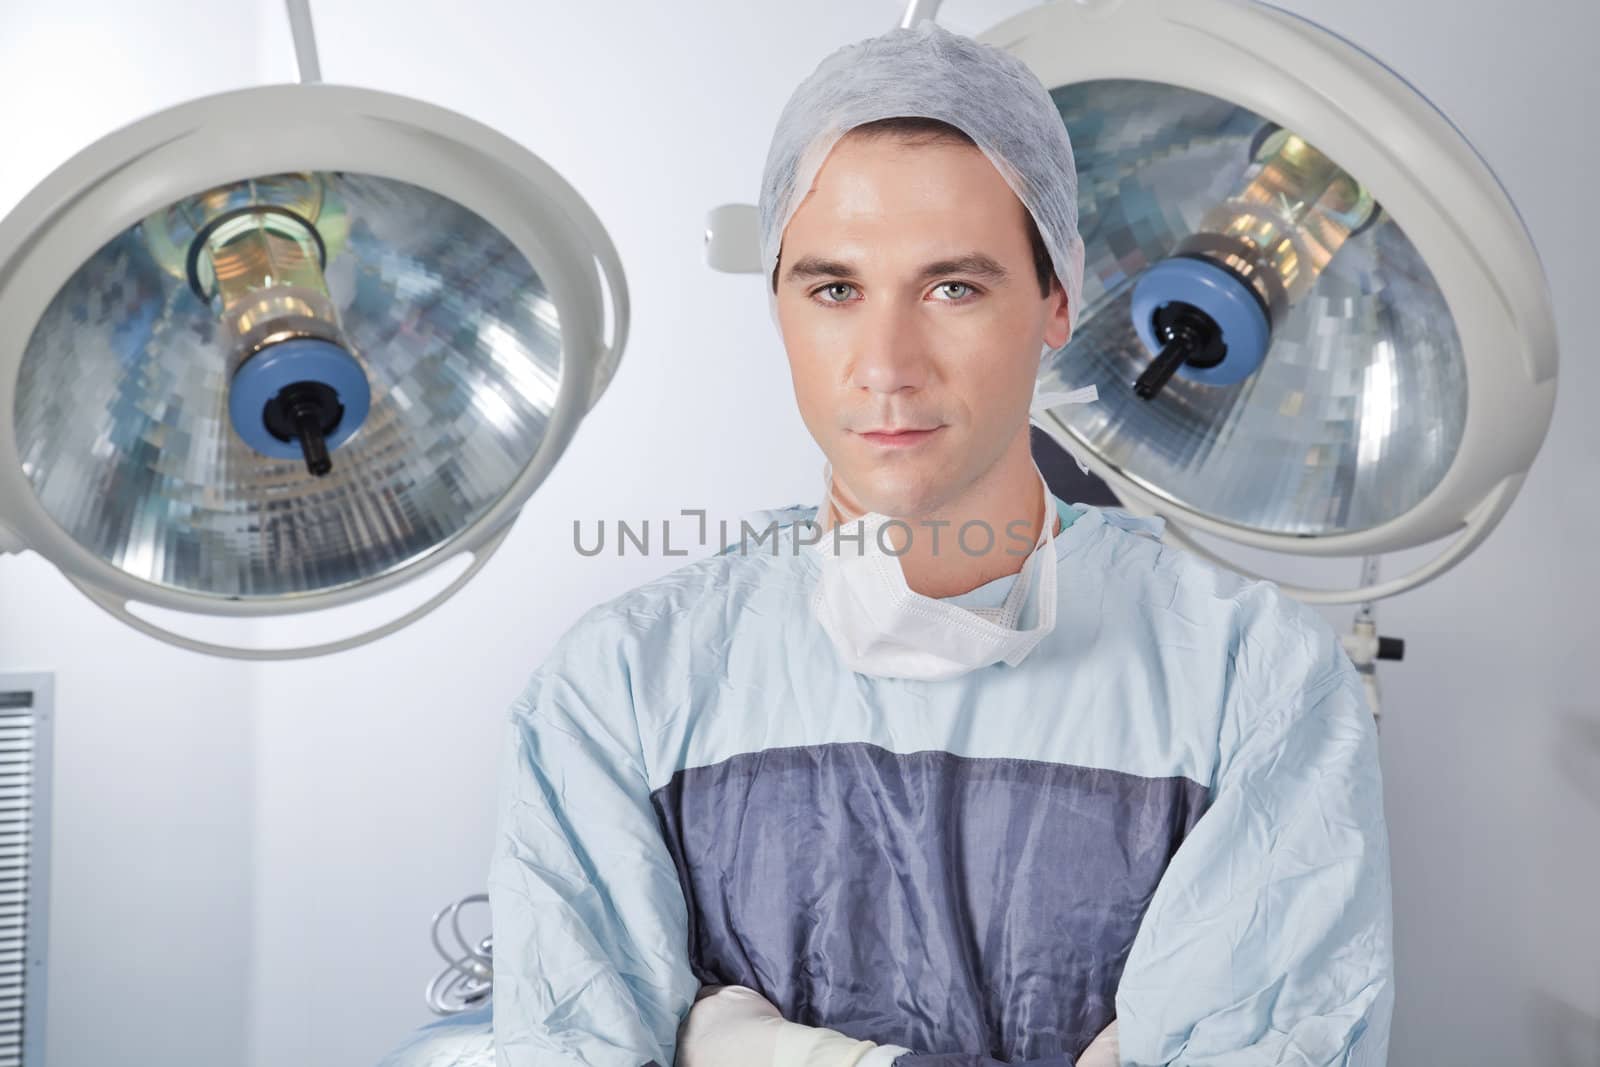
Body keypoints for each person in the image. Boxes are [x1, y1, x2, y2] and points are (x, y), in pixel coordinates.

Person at [487, 20, 1393, 1067]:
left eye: (952, 286)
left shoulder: (1257, 687)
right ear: (776, 305)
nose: (886, 363)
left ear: (1056, 300)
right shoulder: (618, 693)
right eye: (834, 289)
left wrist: (764, 1051)